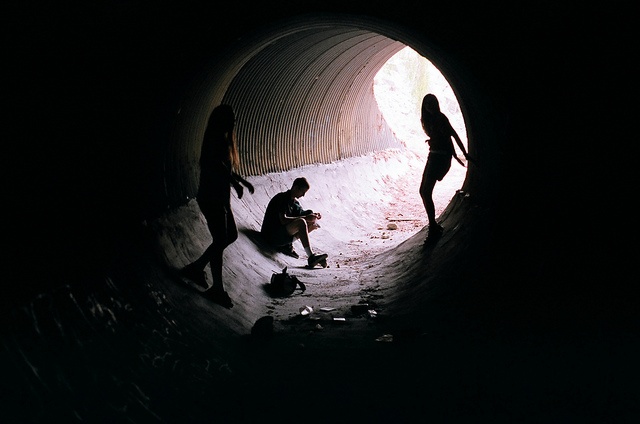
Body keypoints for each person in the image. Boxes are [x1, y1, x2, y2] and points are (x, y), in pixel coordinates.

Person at [180, 104, 254, 308]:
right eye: (230, 118)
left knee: (230, 235)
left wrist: (241, 182)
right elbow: (216, 166)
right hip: (211, 197)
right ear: (221, 120)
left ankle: (197, 267)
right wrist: (236, 183)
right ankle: (217, 288)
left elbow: (225, 168)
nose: (234, 122)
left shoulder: (224, 140)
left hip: (220, 198)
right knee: (221, 238)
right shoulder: (215, 139)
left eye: (234, 118)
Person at [419, 93, 471, 237]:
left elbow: (453, 135)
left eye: (431, 103)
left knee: (425, 191)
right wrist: (432, 141)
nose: (429, 106)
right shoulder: (429, 119)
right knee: (423, 191)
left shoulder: (441, 118)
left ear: (436, 104)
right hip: (434, 155)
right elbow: (441, 137)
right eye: (426, 103)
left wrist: (464, 154)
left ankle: (433, 225)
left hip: (440, 157)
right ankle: (433, 224)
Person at [260, 177, 328, 268]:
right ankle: (311, 257)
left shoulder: (295, 203)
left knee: (312, 223)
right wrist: (305, 217)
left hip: (282, 235)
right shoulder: (282, 198)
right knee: (301, 222)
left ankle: (287, 245)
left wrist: (313, 215)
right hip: (272, 235)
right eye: (302, 192)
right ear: (296, 188)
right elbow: (283, 220)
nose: (303, 195)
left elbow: (302, 213)